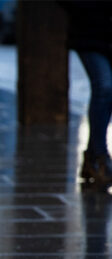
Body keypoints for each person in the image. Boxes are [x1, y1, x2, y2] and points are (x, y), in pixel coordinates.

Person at [60, 1, 112, 185]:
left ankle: (92, 157)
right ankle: (99, 155)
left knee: (106, 92)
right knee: (104, 86)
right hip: (89, 33)